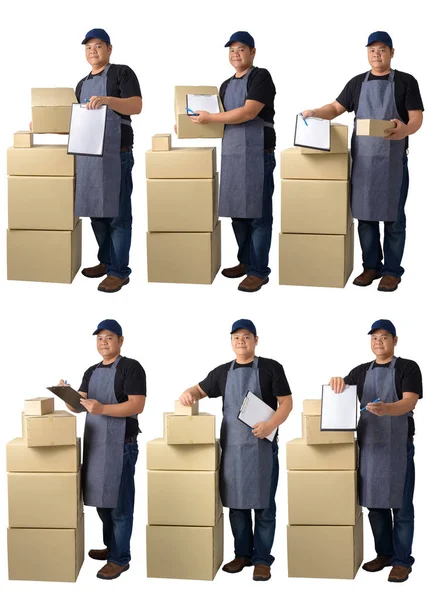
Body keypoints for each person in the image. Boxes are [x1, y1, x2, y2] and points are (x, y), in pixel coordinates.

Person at [301, 31, 423, 292]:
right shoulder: (357, 83)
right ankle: (371, 267)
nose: (376, 54)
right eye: (372, 50)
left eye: (382, 49)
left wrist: (405, 130)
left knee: (393, 219)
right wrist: (314, 112)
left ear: (392, 52)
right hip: (364, 163)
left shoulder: (406, 81)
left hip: (393, 161)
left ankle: (391, 271)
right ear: (367, 53)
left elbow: (416, 118)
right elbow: (334, 109)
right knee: (365, 217)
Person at [179, 319, 292, 581]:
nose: (241, 341)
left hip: (262, 446)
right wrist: (187, 394)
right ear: (231, 341)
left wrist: (270, 425)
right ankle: (242, 554)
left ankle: (262, 560)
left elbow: (286, 402)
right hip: (232, 449)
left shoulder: (271, 368)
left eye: (246, 337)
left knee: (264, 506)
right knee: (236, 506)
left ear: (256, 340)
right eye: (236, 337)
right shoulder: (221, 373)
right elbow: (197, 390)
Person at [329, 319, 421, 583]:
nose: (379, 342)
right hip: (369, 445)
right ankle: (384, 555)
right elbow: (340, 397)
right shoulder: (360, 371)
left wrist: (387, 409)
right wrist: (336, 382)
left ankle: (402, 561)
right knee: (374, 505)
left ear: (395, 340)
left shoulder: (407, 367)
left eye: (384, 337)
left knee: (401, 506)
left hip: (397, 445)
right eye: (374, 338)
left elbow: (408, 401)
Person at [189, 32, 276, 293]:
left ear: (252, 52)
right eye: (232, 50)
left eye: (241, 49)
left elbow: (248, 112)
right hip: (233, 153)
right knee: (238, 214)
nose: (236, 54)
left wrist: (210, 118)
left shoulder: (261, 76)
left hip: (258, 152)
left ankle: (259, 271)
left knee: (258, 216)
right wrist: (189, 124)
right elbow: (217, 119)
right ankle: (245, 261)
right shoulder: (225, 85)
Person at [60, 319, 146, 580]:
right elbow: (79, 406)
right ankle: (111, 547)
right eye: (100, 338)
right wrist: (67, 395)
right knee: (101, 503)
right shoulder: (92, 370)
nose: (104, 342)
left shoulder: (132, 368)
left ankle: (120, 559)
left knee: (119, 506)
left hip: (122, 444)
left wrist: (103, 409)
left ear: (121, 341)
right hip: (96, 444)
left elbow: (136, 405)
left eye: (109, 337)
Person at [75, 29, 142, 293]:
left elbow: (136, 105)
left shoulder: (122, 73)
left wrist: (107, 101)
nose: (93, 51)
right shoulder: (81, 84)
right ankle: (105, 262)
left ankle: (119, 271)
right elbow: (79, 121)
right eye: (88, 47)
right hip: (88, 155)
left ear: (109, 49)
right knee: (96, 214)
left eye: (98, 46)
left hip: (117, 152)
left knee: (117, 215)